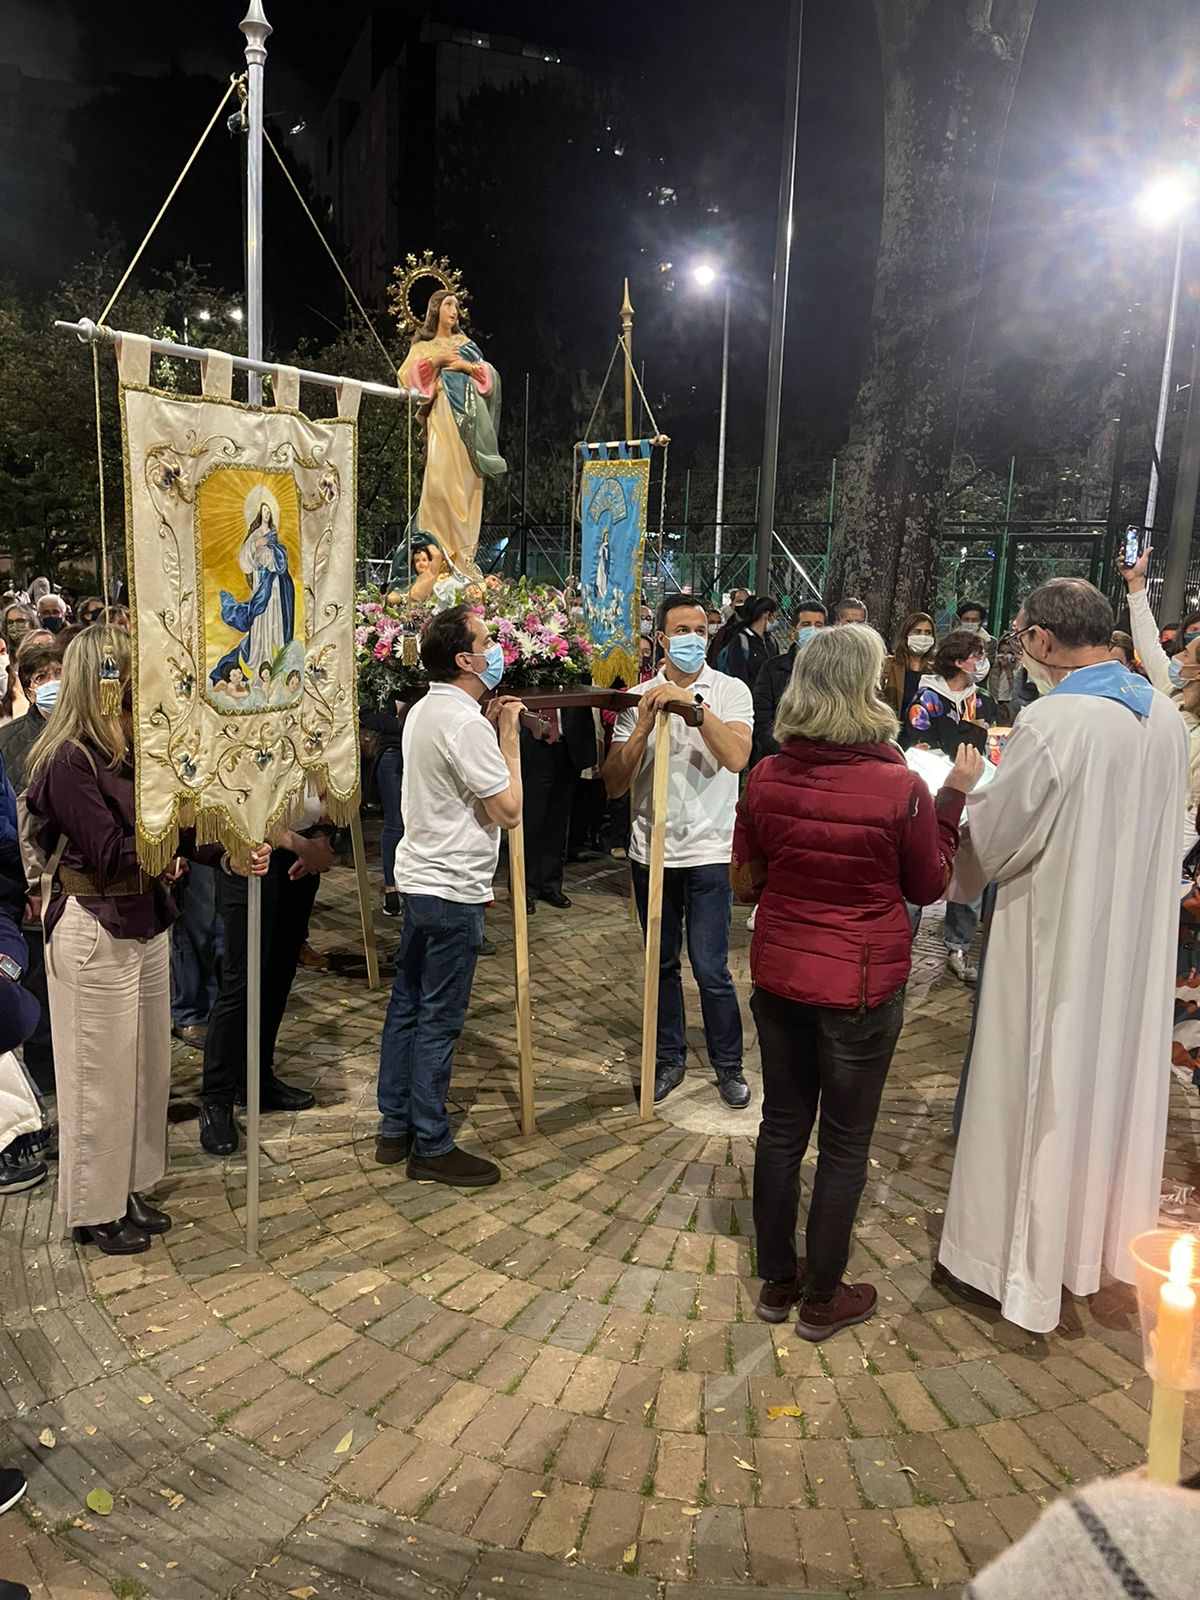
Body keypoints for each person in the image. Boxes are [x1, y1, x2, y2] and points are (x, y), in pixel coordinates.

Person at [935, 578, 1187, 1332]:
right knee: (1107, 1089)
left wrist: (971, 792)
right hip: (1131, 947)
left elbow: (1002, 843)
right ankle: (1100, 1247)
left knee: (1037, 1089)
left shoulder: (1056, 719)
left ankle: (1015, 1265)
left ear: (1042, 642)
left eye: (1020, 638)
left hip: (1055, 942)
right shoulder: (1166, 716)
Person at [733, 625, 981, 1337]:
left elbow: (747, 881)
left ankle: (777, 1281)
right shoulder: (899, 786)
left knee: (781, 1128)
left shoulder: (767, 775)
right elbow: (929, 885)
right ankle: (821, 1296)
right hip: (861, 985)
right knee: (844, 1142)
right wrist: (952, 803)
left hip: (781, 973)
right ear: (865, 687)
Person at [26, 627, 270, 1253]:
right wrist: (184, 839)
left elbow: (177, 830)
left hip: (146, 919)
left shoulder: (133, 749)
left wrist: (230, 849)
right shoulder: (67, 760)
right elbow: (110, 853)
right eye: (129, 676)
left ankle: (126, 1187)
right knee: (97, 1077)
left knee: (144, 1071)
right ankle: (92, 1208)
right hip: (94, 923)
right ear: (103, 681)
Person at [375, 604, 522, 1186]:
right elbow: (507, 810)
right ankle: (430, 1143)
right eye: (488, 641)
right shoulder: (465, 723)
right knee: (439, 1016)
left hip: (420, 878)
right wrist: (507, 736)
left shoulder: (424, 709)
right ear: (465, 659)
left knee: (407, 1005)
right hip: (453, 885)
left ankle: (396, 1124)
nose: (496, 649)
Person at [603, 595, 753, 1108]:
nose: (692, 637)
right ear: (662, 637)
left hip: (710, 850)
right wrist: (643, 726)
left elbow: (736, 757)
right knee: (661, 963)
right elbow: (614, 785)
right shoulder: (635, 698)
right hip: (653, 852)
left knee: (711, 967)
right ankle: (668, 1057)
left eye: (700, 628)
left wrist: (693, 710)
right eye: (681, 629)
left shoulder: (730, 691)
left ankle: (728, 1063)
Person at [198, 795, 334, 1156]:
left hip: (299, 857)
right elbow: (232, 802)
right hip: (251, 853)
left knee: (279, 973)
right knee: (242, 982)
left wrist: (321, 839)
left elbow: (324, 791)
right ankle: (216, 1098)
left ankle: (256, 1076)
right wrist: (298, 842)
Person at [1121, 549, 1200, 1087]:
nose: (1177, 655)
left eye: (1188, 651)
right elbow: (1150, 647)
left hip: (1184, 857)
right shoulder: (1173, 699)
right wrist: (1135, 588)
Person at [398, 291, 505, 578]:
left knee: (466, 487)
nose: (454, 310)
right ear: (435, 309)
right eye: (448, 304)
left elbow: (490, 378)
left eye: (457, 305)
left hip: (469, 424)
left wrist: (464, 366)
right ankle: (437, 561)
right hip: (442, 417)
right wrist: (435, 361)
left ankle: (463, 560)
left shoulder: (466, 345)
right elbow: (406, 378)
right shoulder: (424, 347)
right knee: (439, 484)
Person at [750, 600, 827, 768]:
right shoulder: (772, 669)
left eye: (819, 625)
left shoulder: (835, 671)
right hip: (779, 759)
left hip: (823, 762)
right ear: (794, 632)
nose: (813, 630)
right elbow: (762, 717)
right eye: (806, 624)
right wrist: (784, 751)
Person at [900, 628, 986, 755]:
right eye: (978, 657)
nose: (983, 662)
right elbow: (920, 748)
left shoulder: (984, 698)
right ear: (959, 662)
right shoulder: (926, 700)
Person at [881, 612, 936, 719]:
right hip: (895, 730)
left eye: (928, 632)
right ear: (906, 635)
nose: (923, 637)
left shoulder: (937, 669)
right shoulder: (888, 666)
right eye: (917, 632)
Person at [719, 595, 779, 689]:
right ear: (766, 614)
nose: (776, 621)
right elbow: (738, 676)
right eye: (776, 617)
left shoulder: (771, 641)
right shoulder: (740, 640)